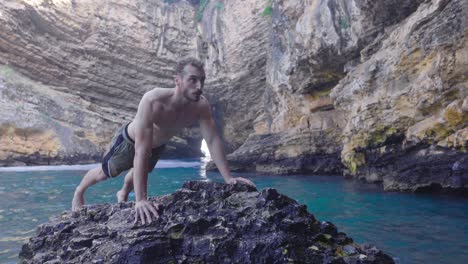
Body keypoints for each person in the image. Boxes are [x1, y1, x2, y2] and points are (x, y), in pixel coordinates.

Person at [71, 57, 255, 224]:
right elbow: (141, 151)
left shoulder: (201, 106)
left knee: (139, 171)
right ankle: (79, 191)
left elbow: (213, 140)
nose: (199, 86)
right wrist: (141, 200)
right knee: (106, 173)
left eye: (202, 80)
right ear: (177, 80)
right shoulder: (153, 100)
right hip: (130, 140)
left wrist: (228, 178)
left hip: (157, 144)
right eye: (193, 80)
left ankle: (123, 192)